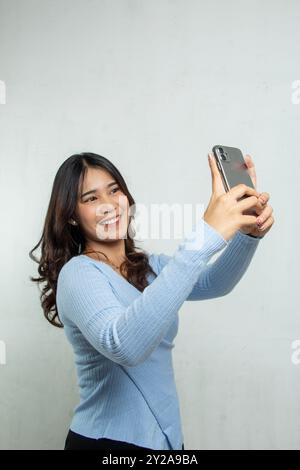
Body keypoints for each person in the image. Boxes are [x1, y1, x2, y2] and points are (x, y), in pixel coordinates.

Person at [29, 152, 274, 450]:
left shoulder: (149, 267)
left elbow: (214, 283)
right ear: (71, 214)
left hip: (167, 443)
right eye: (91, 198)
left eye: (114, 190)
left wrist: (247, 236)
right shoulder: (78, 274)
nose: (109, 204)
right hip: (108, 443)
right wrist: (205, 235)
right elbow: (125, 345)